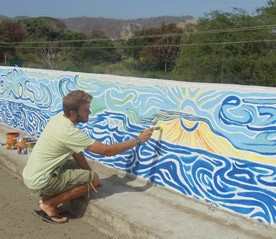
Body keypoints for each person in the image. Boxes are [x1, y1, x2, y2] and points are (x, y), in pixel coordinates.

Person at [22, 90, 153, 223]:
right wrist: (138, 140)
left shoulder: (58, 119)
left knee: (87, 174)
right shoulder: (69, 132)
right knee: (93, 181)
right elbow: (107, 151)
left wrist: (89, 173)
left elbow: (75, 151)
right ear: (73, 113)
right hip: (41, 182)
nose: (89, 112)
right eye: (86, 110)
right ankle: (49, 204)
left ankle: (47, 197)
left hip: (32, 175)